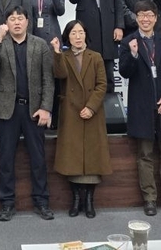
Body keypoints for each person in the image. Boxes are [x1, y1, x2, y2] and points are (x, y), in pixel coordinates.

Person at [0, 6, 55, 222]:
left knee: (38, 158)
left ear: (27, 21)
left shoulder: (40, 44)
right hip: (6, 110)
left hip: (34, 109)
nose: (17, 22)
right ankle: (7, 203)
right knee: (5, 159)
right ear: (6, 23)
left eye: (20, 18)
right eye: (12, 19)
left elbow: (48, 79)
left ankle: (42, 201)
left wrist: (46, 107)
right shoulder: (0, 43)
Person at [118, 1, 161, 217]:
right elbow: (125, 72)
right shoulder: (128, 41)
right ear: (136, 18)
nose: (145, 19)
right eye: (141, 15)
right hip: (142, 107)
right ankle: (149, 199)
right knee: (145, 155)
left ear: (156, 18)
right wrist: (133, 54)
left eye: (149, 15)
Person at [50, 20, 111, 219]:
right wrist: (57, 53)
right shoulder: (64, 56)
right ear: (67, 37)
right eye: (74, 33)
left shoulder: (96, 56)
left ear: (86, 35)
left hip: (92, 113)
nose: (78, 37)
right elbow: (59, 75)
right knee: (72, 158)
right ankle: (76, 199)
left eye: (81, 32)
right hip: (71, 112)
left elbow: (102, 85)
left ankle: (90, 200)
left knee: (93, 158)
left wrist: (91, 107)